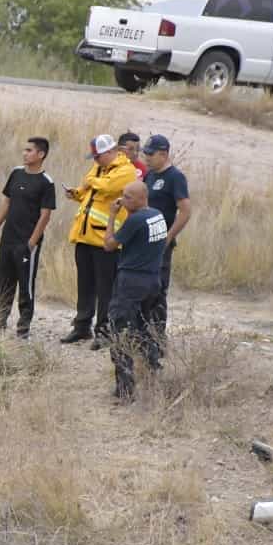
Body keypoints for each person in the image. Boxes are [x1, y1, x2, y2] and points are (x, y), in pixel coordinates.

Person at [62, 133, 137, 347]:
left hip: (107, 241)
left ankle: (104, 332)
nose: (95, 161)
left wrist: (90, 181)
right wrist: (76, 193)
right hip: (84, 236)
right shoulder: (99, 169)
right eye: (94, 157)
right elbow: (90, 191)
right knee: (85, 285)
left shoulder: (126, 170)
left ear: (111, 152)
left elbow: (107, 188)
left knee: (106, 289)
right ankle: (82, 327)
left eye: (98, 156)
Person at [103, 181, 168, 402]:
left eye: (128, 197)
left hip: (131, 282)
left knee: (120, 333)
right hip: (152, 280)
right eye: (123, 195)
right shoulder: (157, 215)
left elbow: (109, 245)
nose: (123, 200)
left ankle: (124, 389)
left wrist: (112, 216)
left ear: (143, 198)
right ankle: (153, 373)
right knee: (143, 330)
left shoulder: (136, 220)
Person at [0, 137, 57, 338]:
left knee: (26, 285)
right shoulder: (16, 174)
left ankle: (23, 327)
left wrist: (32, 243)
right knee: (4, 282)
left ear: (41, 154)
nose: (25, 153)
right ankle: (0, 323)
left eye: (29, 150)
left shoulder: (46, 183)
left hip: (26, 243)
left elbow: (45, 215)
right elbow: (7, 202)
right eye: (24, 150)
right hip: (8, 240)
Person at [140, 134, 191, 369]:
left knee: (157, 292)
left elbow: (185, 211)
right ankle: (142, 339)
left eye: (150, 154)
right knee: (142, 292)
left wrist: (168, 237)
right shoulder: (149, 175)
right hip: (143, 242)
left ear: (163, 153)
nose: (146, 158)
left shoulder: (175, 177)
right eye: (145, 154)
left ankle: (158, 343)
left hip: (160, 244)